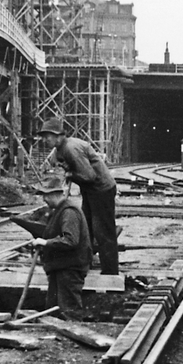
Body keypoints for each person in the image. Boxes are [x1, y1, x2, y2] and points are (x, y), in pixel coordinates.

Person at [37, 118, 119, 275]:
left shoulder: (71, 148)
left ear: (58, 136)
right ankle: (83, 265)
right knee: (86, 229)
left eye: (47, 136)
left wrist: (68, 174)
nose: (45, 140)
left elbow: (89, 176)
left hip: (102, 190)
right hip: (90, 191)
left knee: (103, 231)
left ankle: (111, 272)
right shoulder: (58, 150)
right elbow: (56, 167)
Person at [30, 176, 92, 320]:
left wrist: (45, 243)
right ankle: (56, 339)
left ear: (54, 194)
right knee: (53, 311)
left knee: (69, 310)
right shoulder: (58, 211)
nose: (44, 199)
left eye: (45, 195)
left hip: (70, 269)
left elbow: (70, 240)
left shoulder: (69, 212)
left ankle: (76, 337)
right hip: (60, 267)